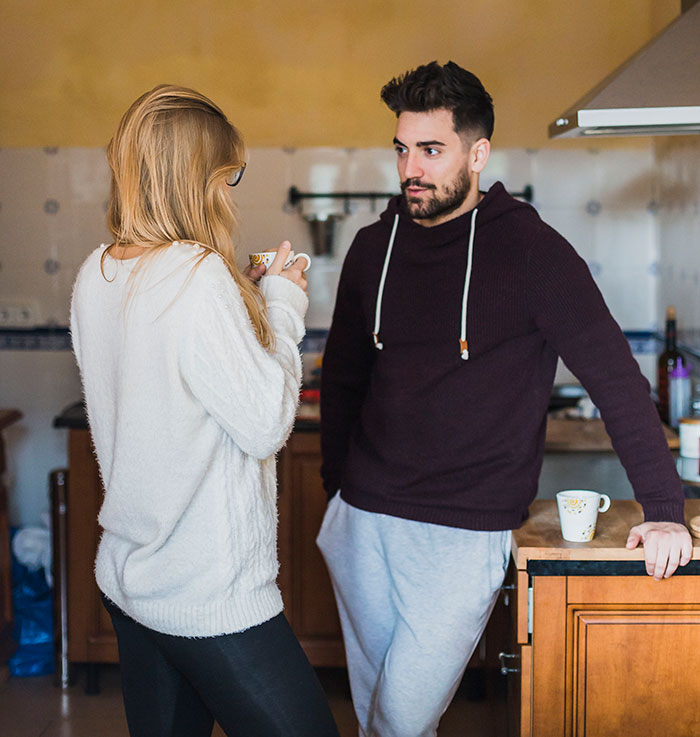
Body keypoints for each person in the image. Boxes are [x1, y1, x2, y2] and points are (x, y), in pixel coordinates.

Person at [317, 61, 692, 737]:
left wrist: (665, 507)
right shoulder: (373, 247)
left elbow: (614, 378)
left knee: (401, 718)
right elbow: (344, 375)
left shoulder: (534, 254)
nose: (411, 168)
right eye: (402, 148)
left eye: (431, 149)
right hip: (364, 522)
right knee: (379, 719)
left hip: (466, 531)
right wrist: (336, 488)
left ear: (478, 152)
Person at [70, 85, 339, 737]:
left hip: (134, 582)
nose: (230, 193)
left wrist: (242, 298)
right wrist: (279, 304)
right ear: (198, 179)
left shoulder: (96, 271)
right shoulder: (195, 276)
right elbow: (266, 421)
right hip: (210, 594)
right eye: (228, 176)